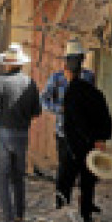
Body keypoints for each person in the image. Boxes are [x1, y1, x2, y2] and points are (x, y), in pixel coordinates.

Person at [0, 43, 41, 222]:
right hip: (22, 135)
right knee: (18, 177)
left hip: (2, 135)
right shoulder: (30, 83)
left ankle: (8, 219)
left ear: (7, 63)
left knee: (2, 177)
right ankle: (20, 216)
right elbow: (36, 112)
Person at [41, 39, 97, 211]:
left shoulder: (88, 77)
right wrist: (60, 109)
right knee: (65, 170)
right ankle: (62, 205)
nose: (76, 62)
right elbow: (44, 99)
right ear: (66, 61)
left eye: (78, 59)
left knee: (87, 171)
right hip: (64, 133)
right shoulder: (57, 78)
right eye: (72, 59)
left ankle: (86, 206)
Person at [61, 52, 112, 222]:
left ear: (66, 70)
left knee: (65, 179)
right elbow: (107, 118)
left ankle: (62, 210)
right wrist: (101, 139)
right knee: (88, 179)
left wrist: (85, 138)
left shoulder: (71, 94)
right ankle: (86, 212)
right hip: (93, 144)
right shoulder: (95, 92)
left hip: (76, 144)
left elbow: (75, 122)